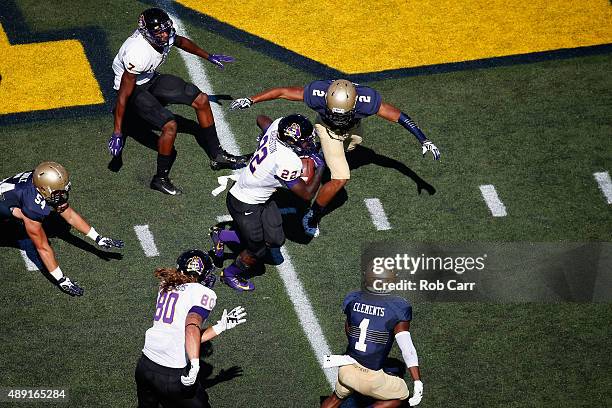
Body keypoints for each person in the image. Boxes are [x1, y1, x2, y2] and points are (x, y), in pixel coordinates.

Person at [231, 79, 441, 237]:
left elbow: (399, 116)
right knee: (341, 177)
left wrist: (424, 140)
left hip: (354, 130)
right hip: (327, 130)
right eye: (334, 111)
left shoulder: (366, 101)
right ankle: (313, 215)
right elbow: (284, 92)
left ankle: (318, 152)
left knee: (352, 147)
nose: (338, 116)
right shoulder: (319, 94)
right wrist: (251, 99)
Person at [111, 7, 249, 196]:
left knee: (200, 99)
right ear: (145, 32)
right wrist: (118, 132)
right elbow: (123, 95)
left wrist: (208, 56)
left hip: (149, 76)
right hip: (134, 87)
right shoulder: (137, 53)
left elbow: (181, 42)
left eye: (166, 29)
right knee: (170, 125)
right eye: (158, 32)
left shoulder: (165, 33)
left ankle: (218, 156)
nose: (164, 35)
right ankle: (159, 179)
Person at [210, 113, 325, 292]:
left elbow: (261, 118)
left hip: (261, 196)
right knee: (258, 251)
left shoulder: (277, 128)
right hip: (244, 203)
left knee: (276, 239)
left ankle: (223, 236)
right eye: (305, 140)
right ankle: (230, 274)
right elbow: (307, 194)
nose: (309, 142)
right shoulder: (287, 161)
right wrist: (321, 168)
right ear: (291, 142)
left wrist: (265, 136)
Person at [135, 249, 246, 407]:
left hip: (145, 366)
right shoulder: (203, 293)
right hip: (171, 373)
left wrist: (220, 326)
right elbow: (191, 325)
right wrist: (194, 365)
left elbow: (185, 336)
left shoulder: (165, 285)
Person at [0, 161, 124, 296]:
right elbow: (43, 247)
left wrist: (98, 238)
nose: (62, 193)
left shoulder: (39, 181)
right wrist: (61, 279)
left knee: (18, 213)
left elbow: (69, 214)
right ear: (44, 189)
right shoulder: (32, 206)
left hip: (8, 201)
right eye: (58, 191)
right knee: (25, 222)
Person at [321, 265, 424, 407]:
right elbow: (407, 349)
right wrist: (417, 381)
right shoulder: (398, 307)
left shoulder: (353, 299)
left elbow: (349, 329)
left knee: (335, 399)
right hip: (372, 378)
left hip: (347, 368)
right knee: (401, 396)